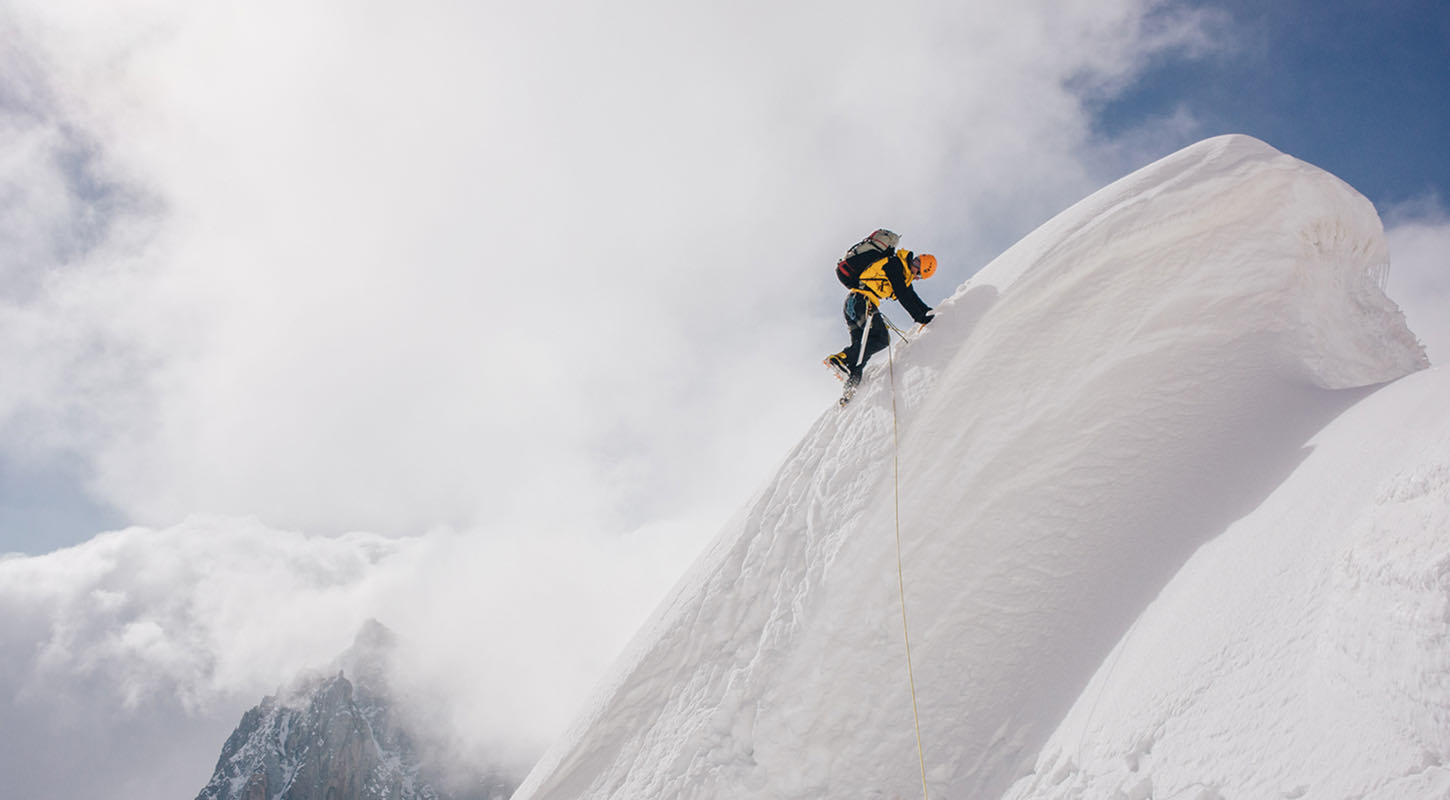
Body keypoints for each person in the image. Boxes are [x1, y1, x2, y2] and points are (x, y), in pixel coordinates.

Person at [825, 244, 937, 391]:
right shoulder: (894, 263)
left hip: (852, 303)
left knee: (862, 349)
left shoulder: (901, 271)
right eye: (918, 269)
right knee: (881, 339)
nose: (916, 275)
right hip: (862, 301)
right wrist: (920, 317)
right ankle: (840, 359)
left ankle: (851, 384)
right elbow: (903, 293)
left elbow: (911, 296)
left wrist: (927, 312)